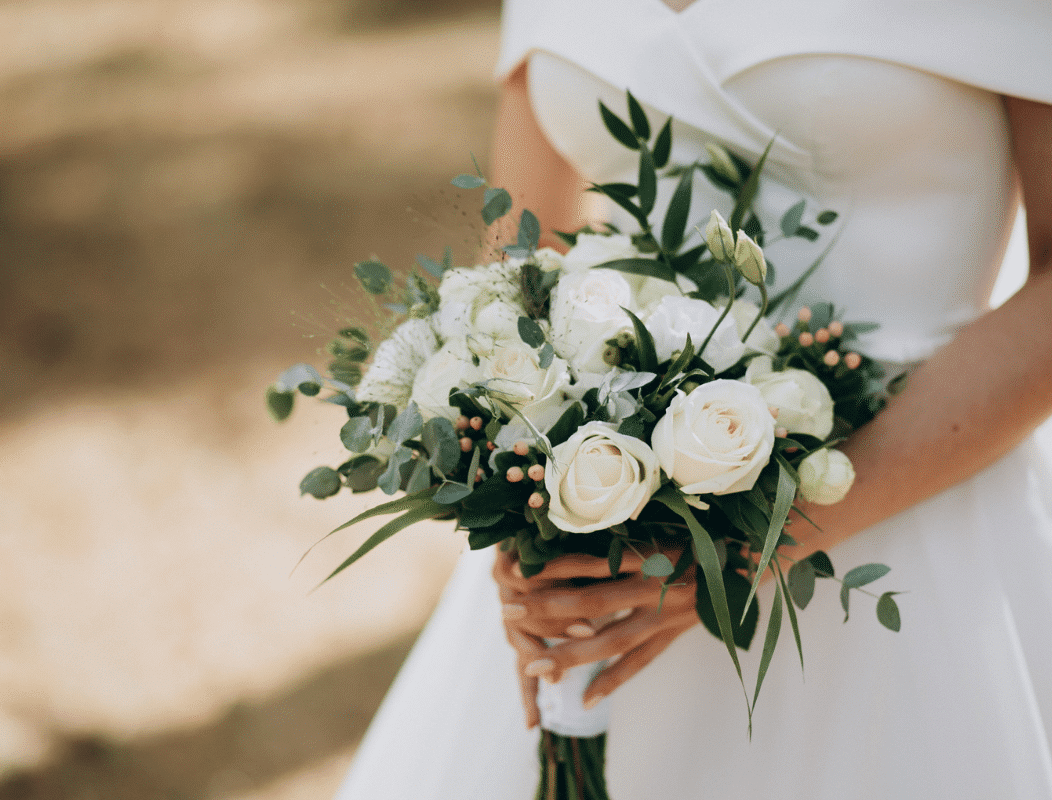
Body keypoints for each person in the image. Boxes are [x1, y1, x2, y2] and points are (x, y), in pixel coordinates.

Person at [336, 0, 1052, 796]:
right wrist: (523, 499)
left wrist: (753, 546)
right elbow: (517, 265)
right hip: (614, 539)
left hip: (917, 525)